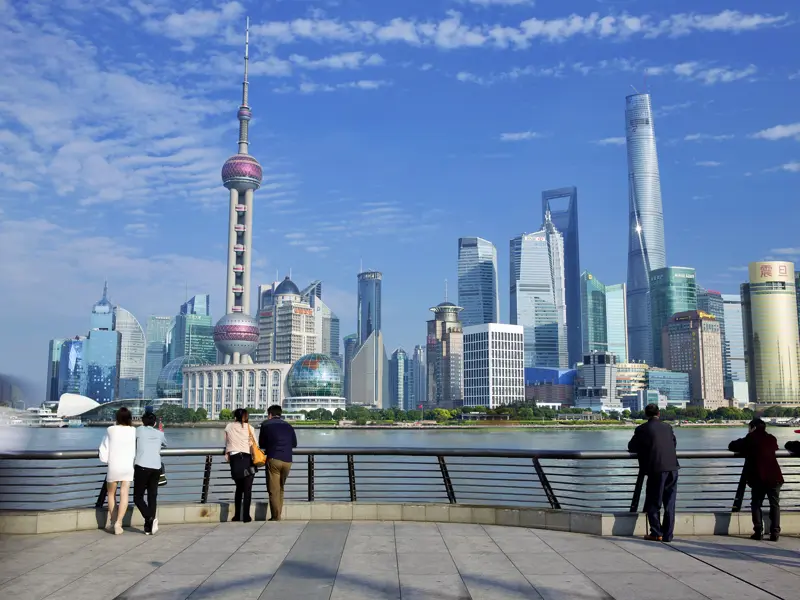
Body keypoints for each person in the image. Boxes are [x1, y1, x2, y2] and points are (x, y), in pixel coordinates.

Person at [628, 403, 679, 542]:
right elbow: (674, 444)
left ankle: (656, 532)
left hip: (655, 468)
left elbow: (632, 446)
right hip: (672, 468)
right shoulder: (668, 427)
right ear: (659, 413)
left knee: (653, 501)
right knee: (670, 503)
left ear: (646, 414)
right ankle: (668, 535)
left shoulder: (642, 429)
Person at [729, 418, 784, 541]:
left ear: (752, 427)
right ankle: (775, 532)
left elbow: (733, 445)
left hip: (759, 477)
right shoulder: (771, 438)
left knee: (756, 504)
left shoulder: (750, 438)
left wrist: (748, 437)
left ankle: (758, 531)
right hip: (775, 476)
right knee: (774, 504)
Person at [98, 407, 136, 535]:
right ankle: (119, 523)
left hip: (114, 465)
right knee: (124, 494)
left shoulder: (111, 430)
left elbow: (104, 447)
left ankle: (113, 521)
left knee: (111, 494)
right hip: (128, 466)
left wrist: (105, 460)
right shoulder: (133, 430)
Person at [259, 405, 298, 521]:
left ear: (270, 414)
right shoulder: (288, 425)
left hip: (274, 459)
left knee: (273, 490)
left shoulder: (266, 424)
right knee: (281, 487)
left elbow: (261, 443)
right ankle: (278, 514)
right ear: (280, 414)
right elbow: (294, 444)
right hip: (288, 460)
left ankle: (276, 517)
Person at [134, 411, 167, 535]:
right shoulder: (159, 434)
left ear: (143, 421)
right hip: (156, 467)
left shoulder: (138, 430)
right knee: (152, 496)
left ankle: (149, 519)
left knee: (138, 497)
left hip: (142, 466)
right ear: (154, 423)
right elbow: (165, 444)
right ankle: (149, 528)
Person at [224, 408, 256, 522]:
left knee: (239, 488)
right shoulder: (250, 428)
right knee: (247, 489)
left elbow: (227, 442)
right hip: (247, 460)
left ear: (235, 416)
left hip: (235, 460)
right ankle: (246, 516)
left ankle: (237, 515)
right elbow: (254, 444)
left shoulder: (229, 427)